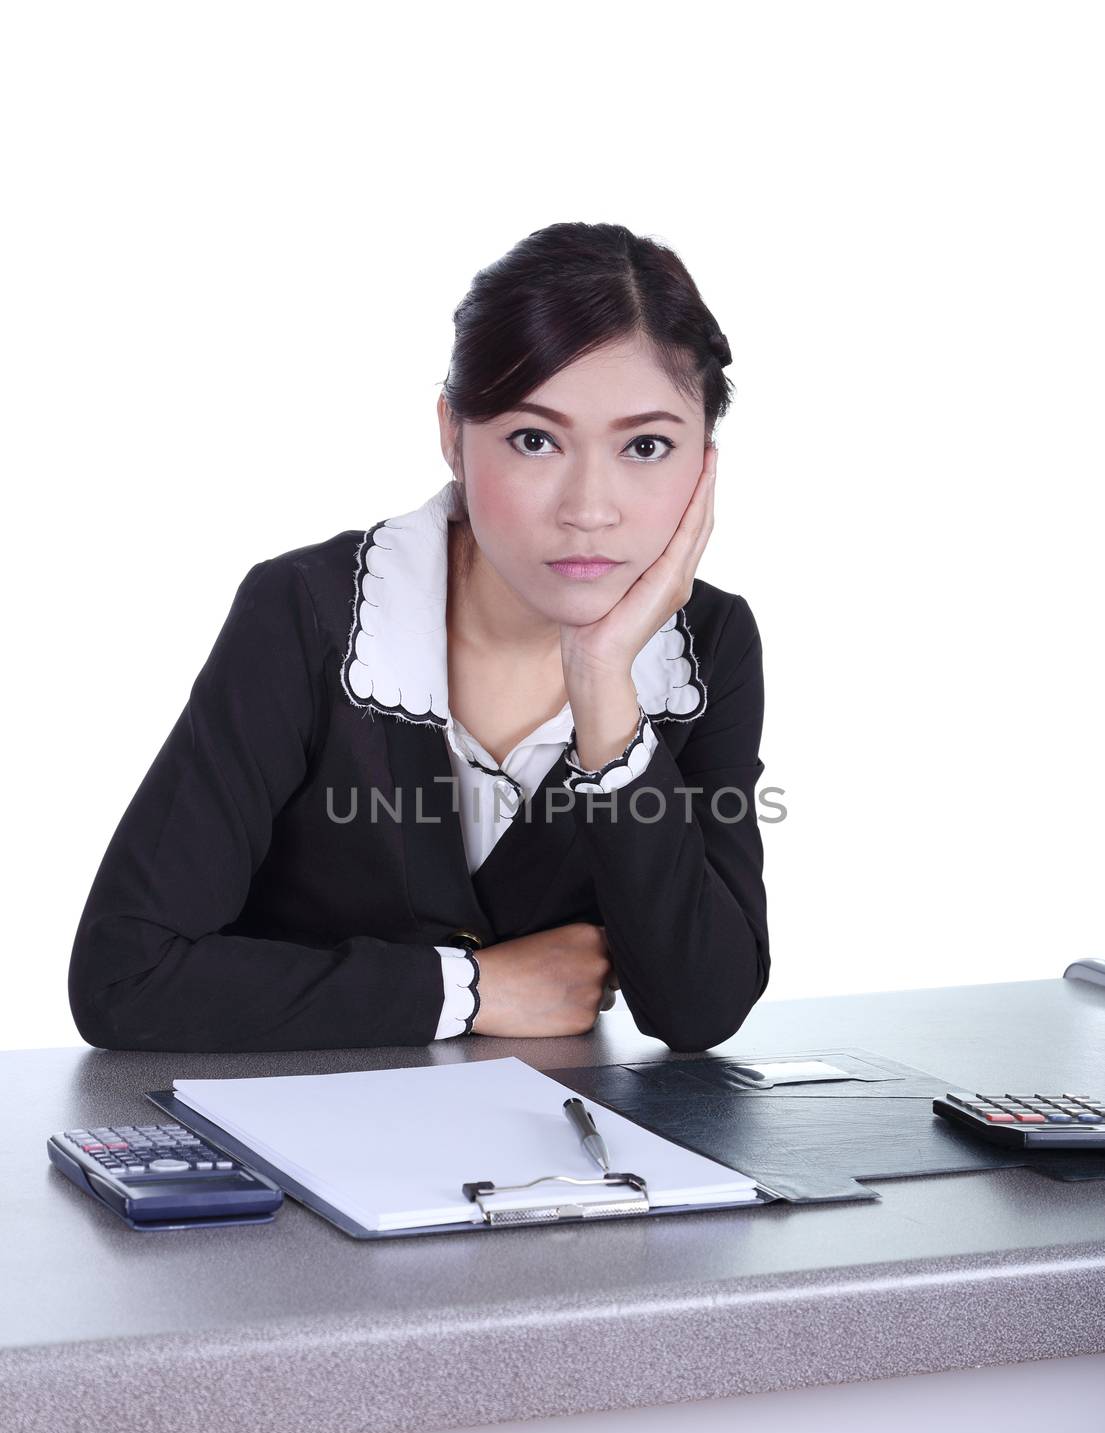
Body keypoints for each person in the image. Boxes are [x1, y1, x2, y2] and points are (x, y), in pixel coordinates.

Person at [68, 220, 770, 1054]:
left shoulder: (706, 645)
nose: (589, 507)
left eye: (646, 446)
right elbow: (126, 977)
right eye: (534, 439)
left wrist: (603, 676)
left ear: (704, 462)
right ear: (451, 434)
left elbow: (699, 1009)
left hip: (547, 1158)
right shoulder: (309, 612)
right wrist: (472, 991)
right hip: (285, 1141)